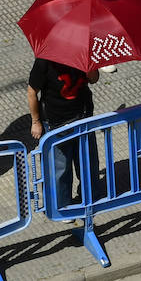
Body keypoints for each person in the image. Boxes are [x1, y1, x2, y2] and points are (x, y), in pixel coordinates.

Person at [28, 57, 99, 213]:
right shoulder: (44, 61)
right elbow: (32, 92)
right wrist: (36, 121)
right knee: (60, 168)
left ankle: (90, 198)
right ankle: (62, 206)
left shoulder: (83, 54)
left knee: (87, 162)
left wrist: (90, 66)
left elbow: (93, 79)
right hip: (55, 123)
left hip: (82, 118)